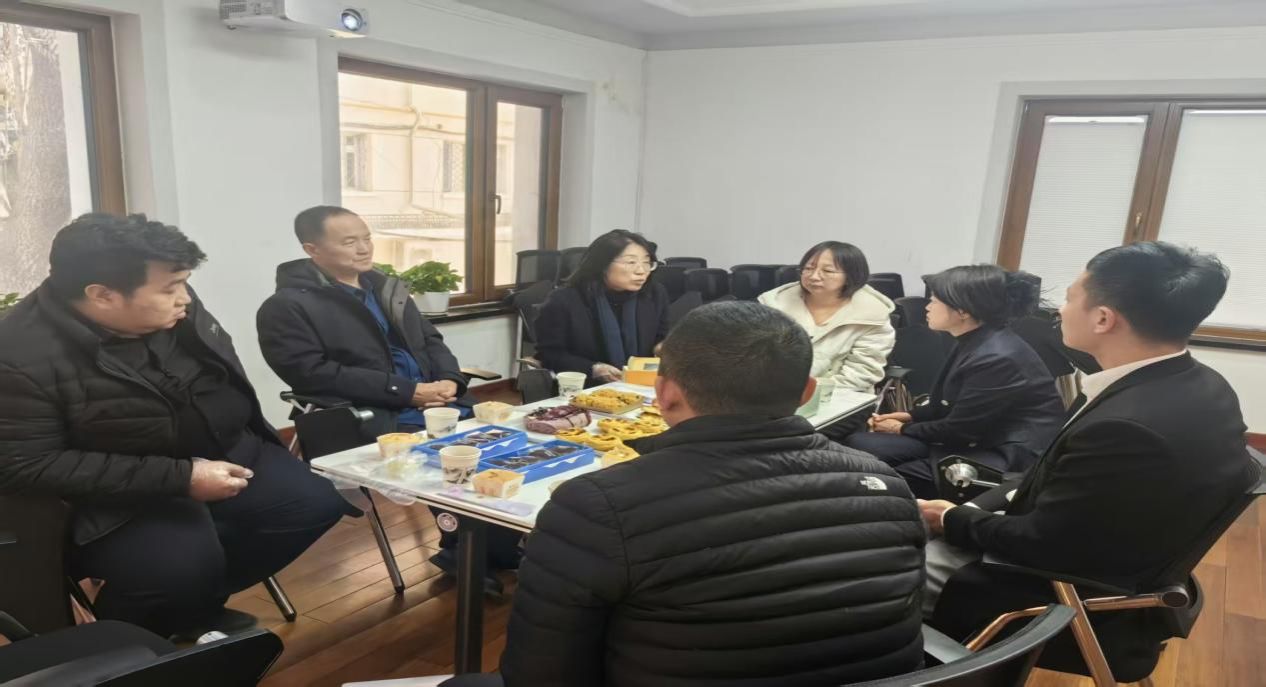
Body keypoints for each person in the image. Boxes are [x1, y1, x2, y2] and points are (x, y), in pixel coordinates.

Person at [499, 301, 927, 687]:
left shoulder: (596, 507)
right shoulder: (890, 488)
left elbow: (538, 676)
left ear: (664, 394)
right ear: (806, 394)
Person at [920, 242, 1260, 680]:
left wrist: (951, 519)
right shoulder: (1205, 384)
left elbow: (1041, 544)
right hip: (1111, 556)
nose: (1059, 311)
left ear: (1103, 319)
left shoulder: (1126, 427)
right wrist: (966, 511)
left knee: (871, 578)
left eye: (1069, 298)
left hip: (1054, 591)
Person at [0, 214, 349, 639]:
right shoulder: (18, 353)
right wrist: (181, 477)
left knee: (315, 505)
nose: (184, 298)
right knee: (180, 564)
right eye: (170, 289)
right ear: (102, 295)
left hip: (227, 448)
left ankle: (191, 606)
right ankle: (133, 635)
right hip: (122, 491)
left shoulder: (176, 305)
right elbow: (27, 464)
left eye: (184, 283)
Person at [257, 206, 521, 579]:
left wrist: (451, 380)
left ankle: (496, 548)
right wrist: (406, 392)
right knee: (450, 460)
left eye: (367, 238)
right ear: (312, 249)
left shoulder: (385, 289)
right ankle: (468, 552)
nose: (364, 248)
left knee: (508, 445)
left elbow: (430, 340)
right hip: (372, 414)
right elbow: (312, 374)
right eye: (349, 242)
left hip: (437, 402)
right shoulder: (287, 307)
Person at [844, 264, 1065, 498]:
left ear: (963, 311)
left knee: (884, 473)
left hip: (1005, 454)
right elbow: (951, 406)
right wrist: (910, 416)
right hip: (978, 438)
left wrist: (901, 428)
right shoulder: (976, 340)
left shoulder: (996, 357)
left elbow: (961, 431)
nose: (927, 307)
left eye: (934, 301)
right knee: (861, 444)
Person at [758, 240, 895, 436]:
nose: (814, 276)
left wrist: (806, 394)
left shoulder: (873, 316)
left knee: (790, 435)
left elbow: (860, 375)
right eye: (808, 268)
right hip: (775, 399)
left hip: (841, 402)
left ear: (852, 275)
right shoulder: (774, 305)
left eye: (828, 271)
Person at [534, 230, 670, 385]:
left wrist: (662, 348)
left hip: (641, 384)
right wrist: (593, 368)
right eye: (631, 262)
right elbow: (549, 354)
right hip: (586, 387)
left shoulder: (654, 294)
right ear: (603, 264)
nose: (641, 271)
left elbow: (661, 336)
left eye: (647, 263)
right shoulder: (564, 300)